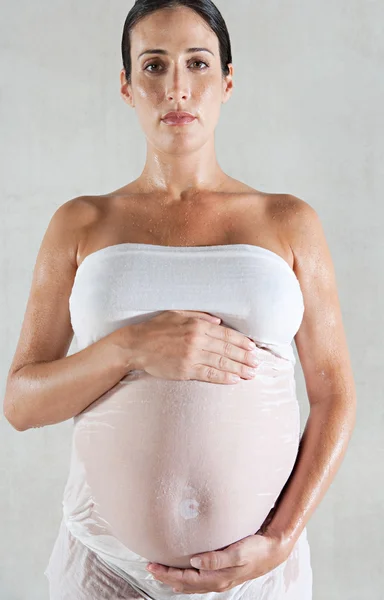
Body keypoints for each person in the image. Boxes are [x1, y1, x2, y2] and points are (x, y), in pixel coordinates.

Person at [4, 1, 356, 598]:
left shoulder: (288, 221)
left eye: (197, 63)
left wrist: (282, 539)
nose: (177, 88)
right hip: (105, 568)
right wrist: (129, 348)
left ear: (227, 80)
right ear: (126, 85)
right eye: (154, 65)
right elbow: (20, 402)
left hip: (256, 574)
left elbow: (335, 394)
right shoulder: (82, 222)